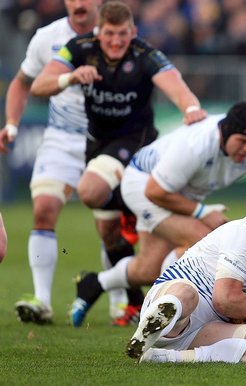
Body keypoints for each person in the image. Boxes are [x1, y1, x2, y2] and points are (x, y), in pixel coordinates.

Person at [29, 1, 208, 325]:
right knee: (108, 232)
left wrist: (191, 108)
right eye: (109, 34)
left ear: (133, 32)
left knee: (90, 190)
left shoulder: (144, 53)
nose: (115, 41)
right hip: (97, 145)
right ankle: (133, 301)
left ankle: (129, 207)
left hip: (136, 145)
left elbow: (176, 86)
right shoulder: (79, 49)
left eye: (122, 34)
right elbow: (39, 84)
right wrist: (69, 79)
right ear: (100, 32)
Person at [69, 101, 246, 328]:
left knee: (148, 268)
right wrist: (202, 212)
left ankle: (94, 283)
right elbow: (155, 191)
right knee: (203, 240)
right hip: (143, 186)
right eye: (243, 141)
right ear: (224, 132)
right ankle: (161, 308)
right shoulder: (195, 145)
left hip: (177, 192)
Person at [0, 0, 126, 325]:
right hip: (61, 137)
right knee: (43, 210)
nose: (79, 3)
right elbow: (22, 82)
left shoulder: (114, 35)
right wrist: (12, 123)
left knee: (110, 224)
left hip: (105, 140)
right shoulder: (47, 36)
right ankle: (42, 300)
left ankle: (119, 302)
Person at [123, 187, 246, 364]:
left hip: (209, 329)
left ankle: (167, 358)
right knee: (185, 294)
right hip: (186, 307)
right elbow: (225, 300)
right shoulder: (245, 233)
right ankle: (151, 328)